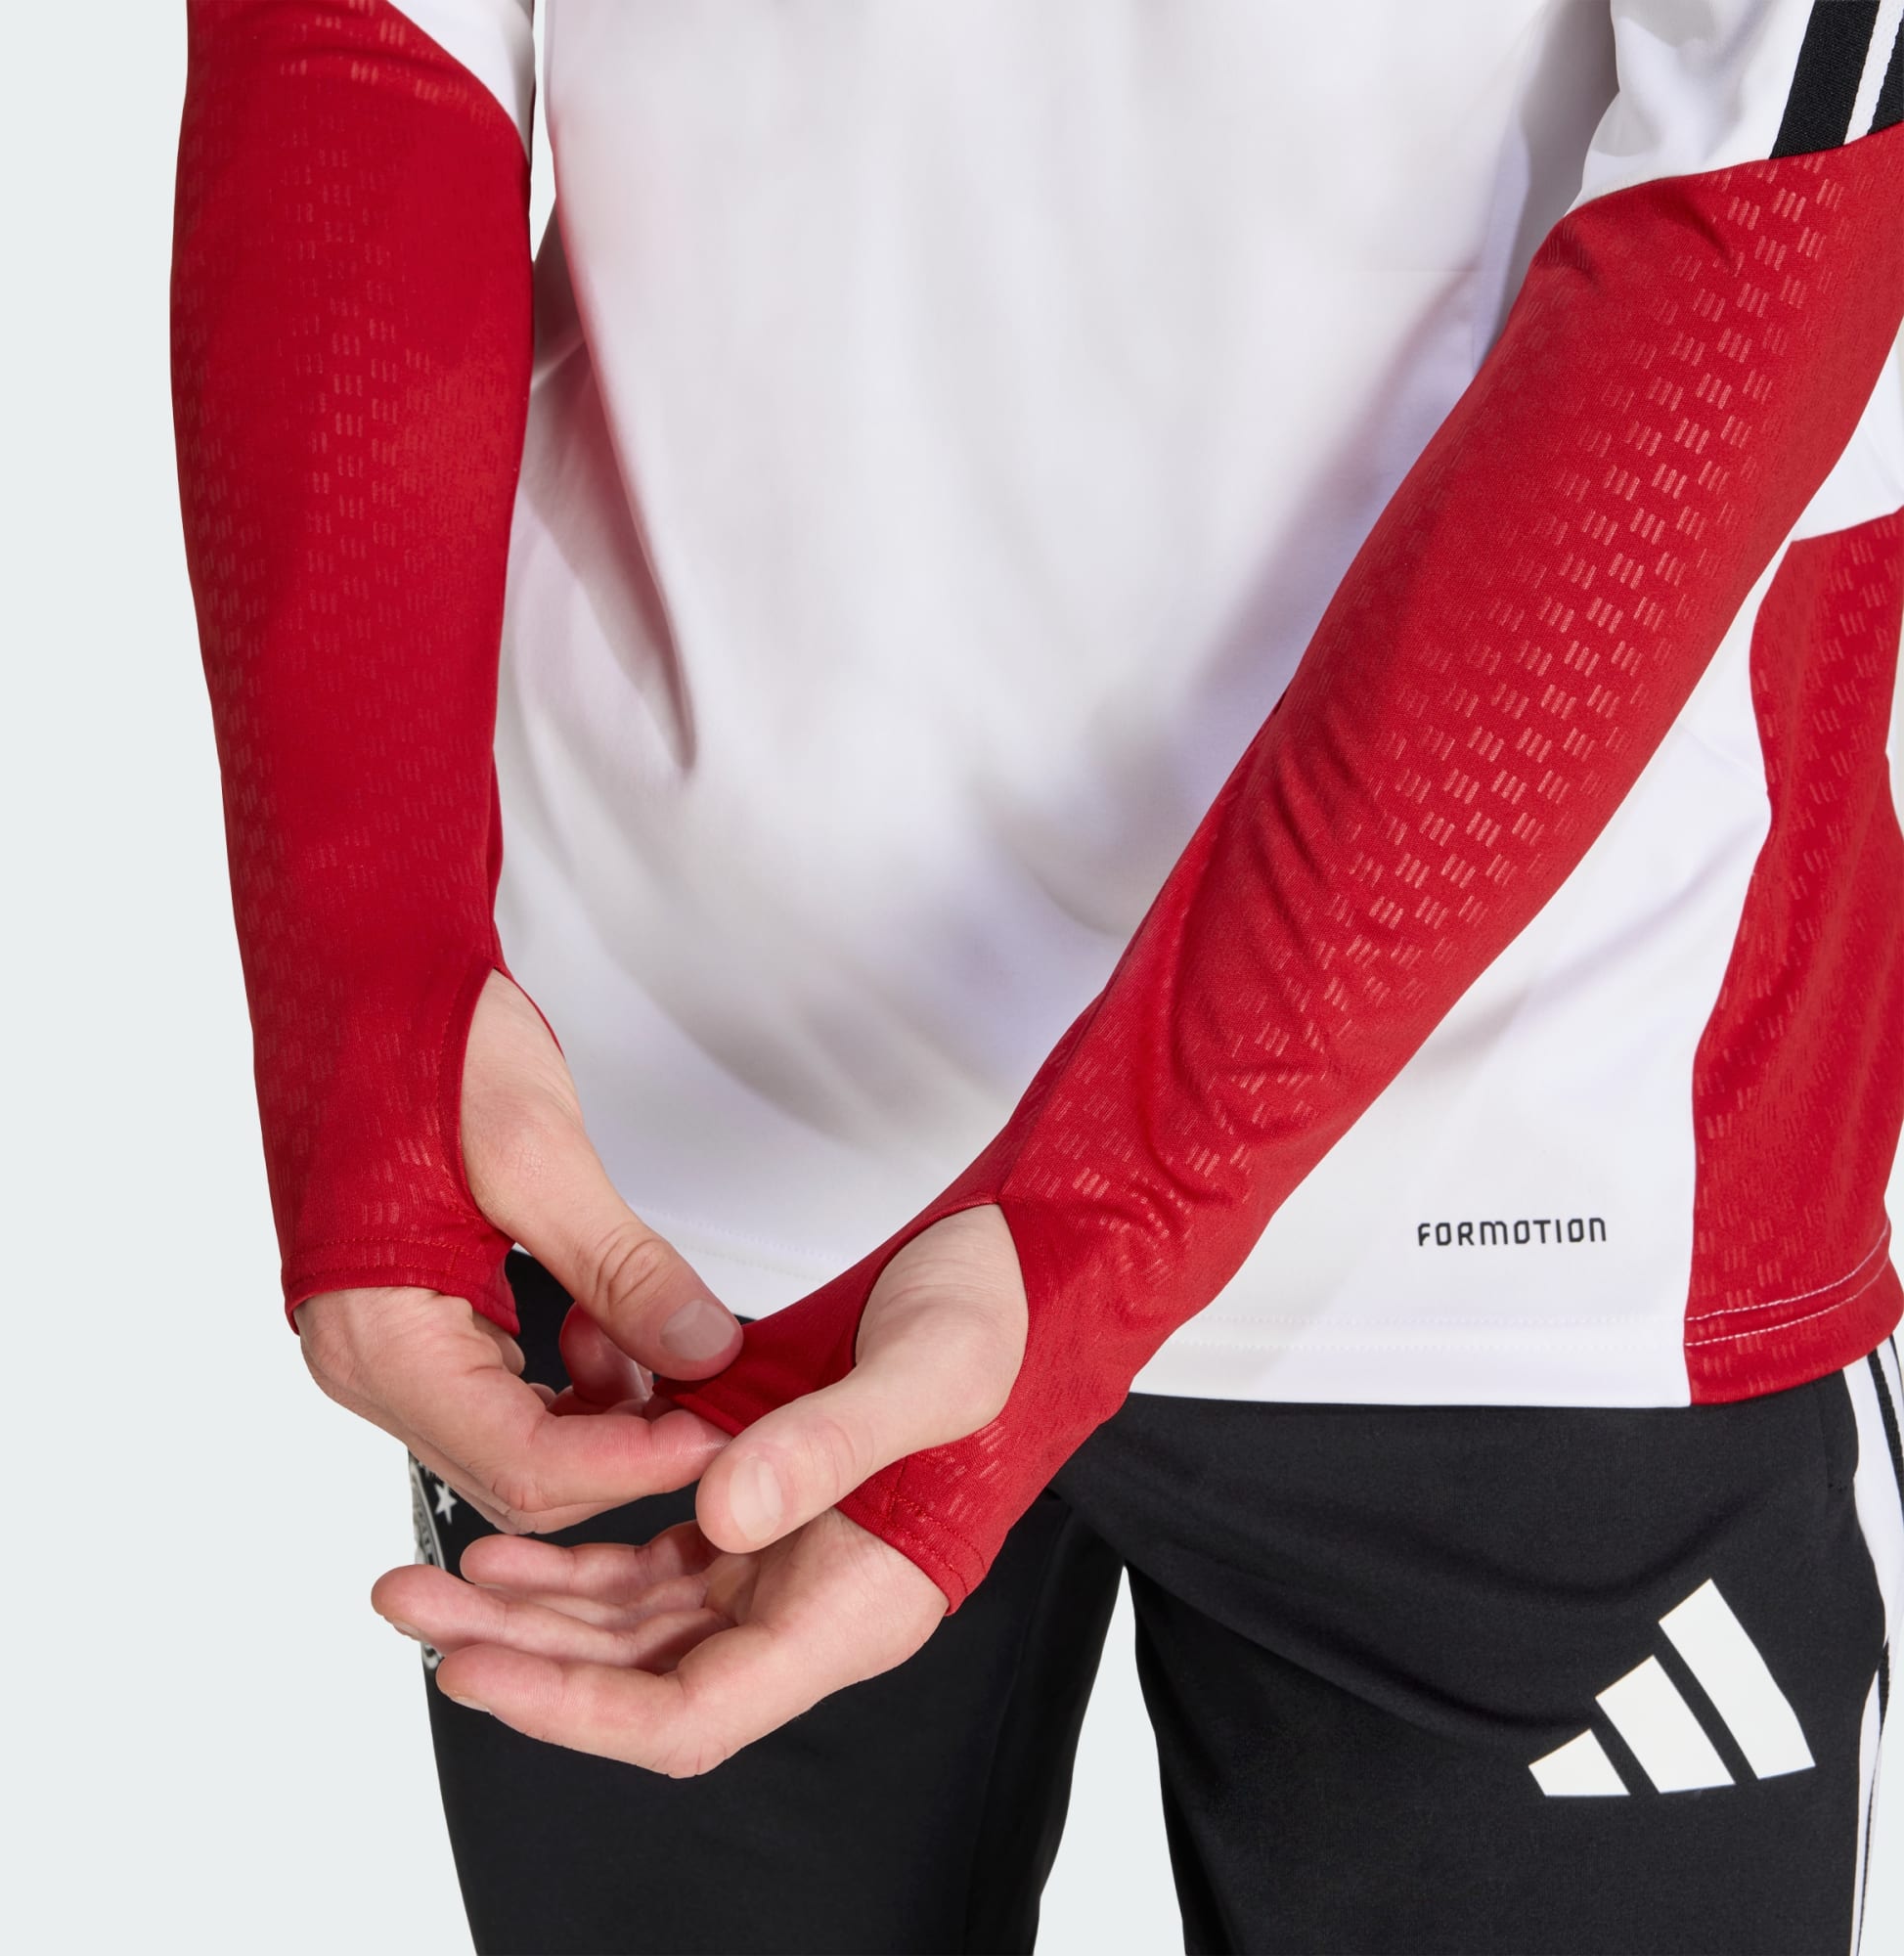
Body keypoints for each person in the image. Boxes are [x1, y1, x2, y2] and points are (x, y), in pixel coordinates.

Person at [171, 2, 1904, 1950]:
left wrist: (1115, 1209)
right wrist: (367, 1005)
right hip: (667, 1203)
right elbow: (357, 46)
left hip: (1524, 1188)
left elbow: (1766, 236)